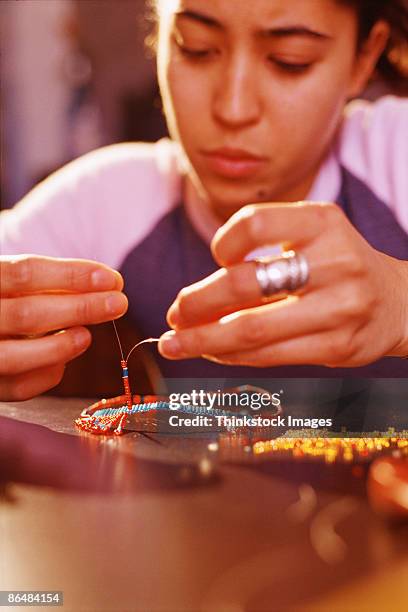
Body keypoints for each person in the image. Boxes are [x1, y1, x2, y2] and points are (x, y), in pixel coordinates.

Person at [1, 0, 408, 401]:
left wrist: (398, 303)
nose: (233, 109)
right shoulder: (112, 201)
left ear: (364, 57)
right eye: (195, 47)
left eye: (290, 61)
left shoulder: (394, 152)